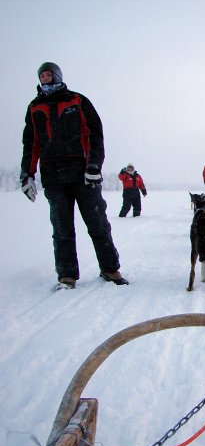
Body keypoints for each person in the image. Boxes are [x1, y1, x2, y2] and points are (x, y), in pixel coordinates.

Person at [20, 62, 128, 289]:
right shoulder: (34, 107)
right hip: (53, 177)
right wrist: (27, 174)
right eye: (42, 75)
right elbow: (31, 144)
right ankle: (66, 276)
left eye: (49, 74)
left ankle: (110, 269)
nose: (45, 78)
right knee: (61, 229)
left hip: (83, 175)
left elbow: (96, 134)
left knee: (98, 224)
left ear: (57, 75)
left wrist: (94, 166)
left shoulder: (77, 100)